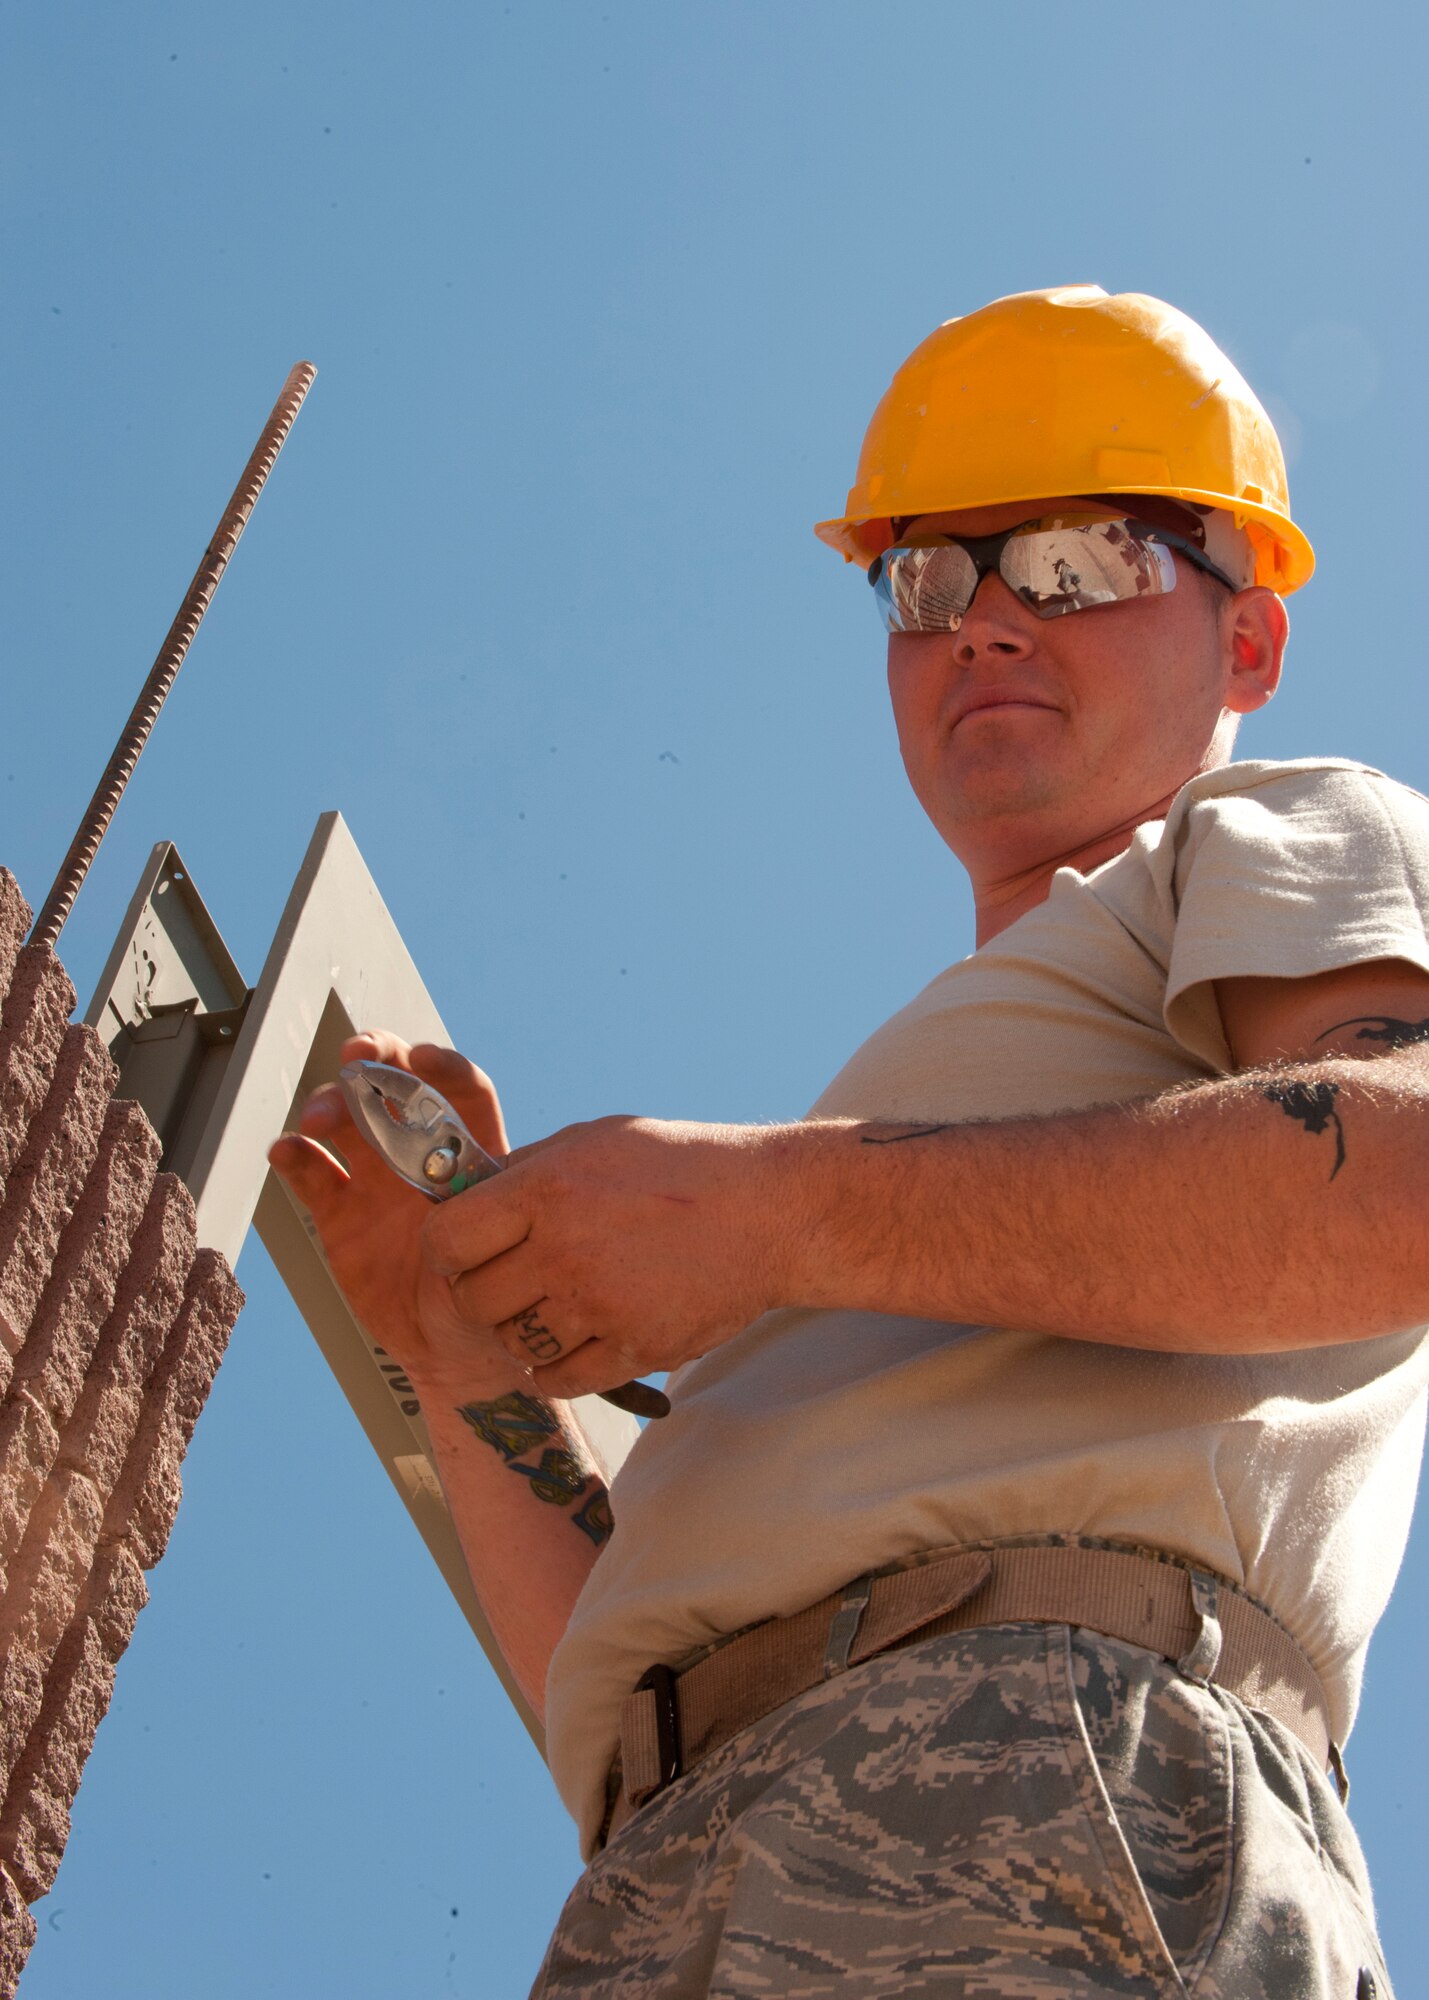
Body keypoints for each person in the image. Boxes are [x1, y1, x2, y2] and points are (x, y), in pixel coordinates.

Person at [270, 285, 1429, 1998]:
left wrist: (766, 1215)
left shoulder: (1273, 831)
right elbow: (635, 1681)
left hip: (1056, 1772)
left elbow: (1399, 1177)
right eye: (926, 581)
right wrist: (456, 1362)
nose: (982, 623)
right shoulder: (923, 1131)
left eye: (1074, 563)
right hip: (680, 1856)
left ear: (1245, 638)